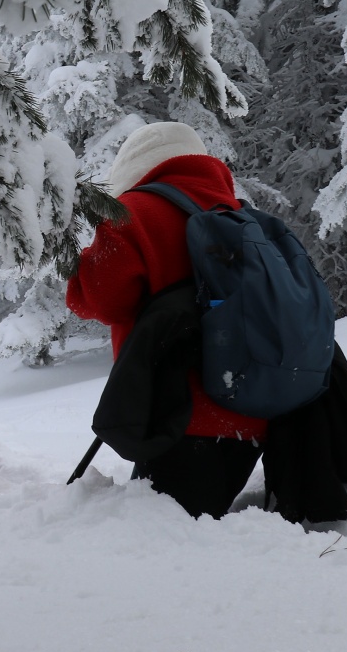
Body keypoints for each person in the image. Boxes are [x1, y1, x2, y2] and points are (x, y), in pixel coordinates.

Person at [67, 122, 266, 519]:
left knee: (170, 545)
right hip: (254, 413)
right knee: (206, 533)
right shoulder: (243, 217)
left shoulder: (133, 213)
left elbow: (103, 301)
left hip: (176, 415)